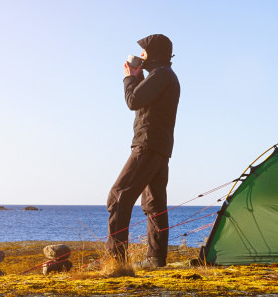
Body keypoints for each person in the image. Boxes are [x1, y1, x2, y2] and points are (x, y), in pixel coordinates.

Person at [106, 34, 180, 268]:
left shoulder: (161, 75)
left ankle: (115, 260)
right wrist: (138, 79)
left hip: (148, 144)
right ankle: (155, 258)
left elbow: (133, 101)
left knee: (118, 196)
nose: (141, 57)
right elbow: (144, 100)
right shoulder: (163, 76)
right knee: (154, 202)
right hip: (160, 146)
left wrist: (129, 78)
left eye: (145, 52)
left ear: (155, 53)